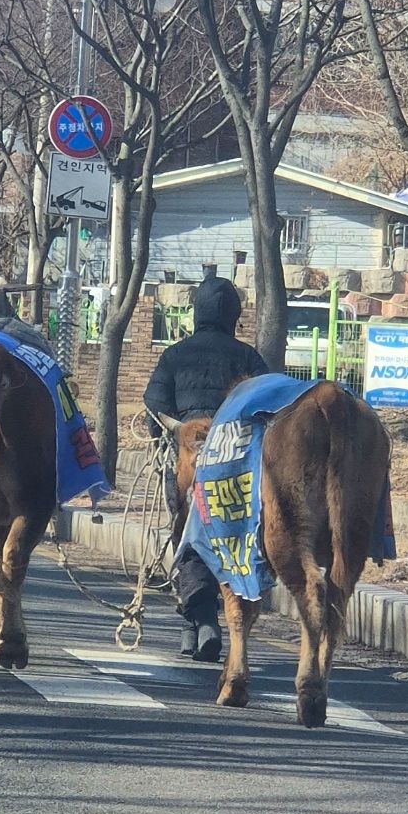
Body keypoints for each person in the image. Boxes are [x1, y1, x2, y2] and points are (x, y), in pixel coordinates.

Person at [143, 275, 268, 661]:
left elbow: (153, 407)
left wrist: (174, 431)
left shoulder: (174, 355)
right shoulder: (248, 357)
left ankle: (198, 621)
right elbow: (267, 406)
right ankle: (205, 620)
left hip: (187, 455)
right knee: (231, 537)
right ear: (234, 315)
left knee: (188, 534)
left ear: (195, 312)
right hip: (237, 463)